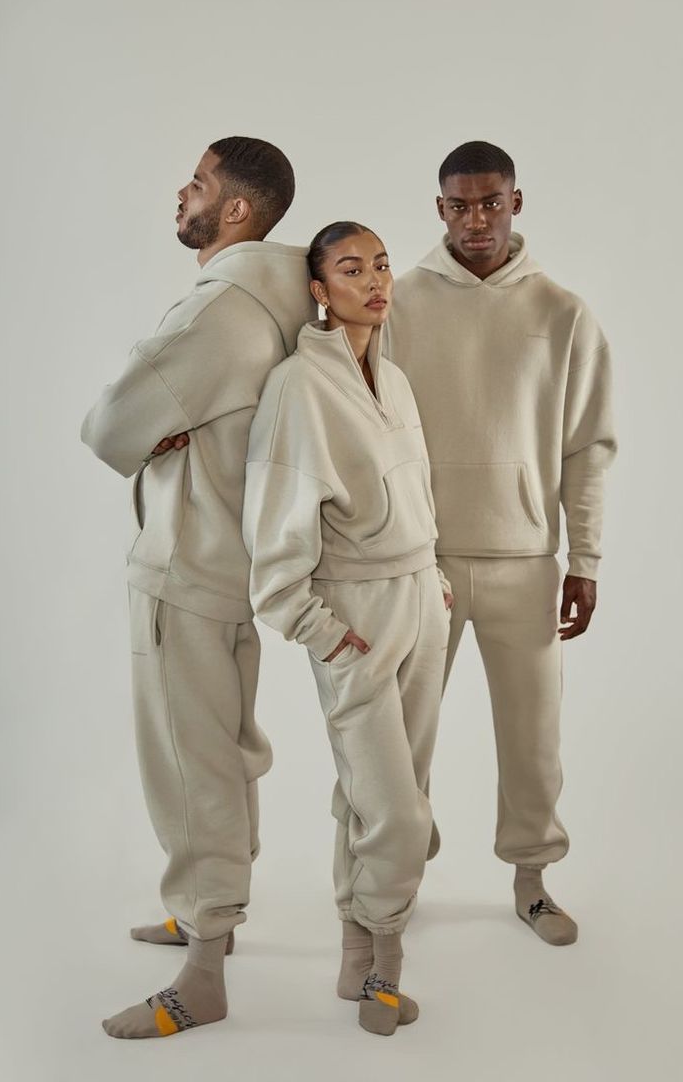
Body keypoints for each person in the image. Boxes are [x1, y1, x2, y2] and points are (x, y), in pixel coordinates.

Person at [81, 136, 316, 1038]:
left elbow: (110, 426)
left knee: (190, 764)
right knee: (223, 749)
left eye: (200, 183)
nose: (181, 192)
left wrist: (156, 426)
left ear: (238, 212)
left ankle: (204, 972)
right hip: (239, 562)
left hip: (185, 565)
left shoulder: (220, 311)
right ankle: (211, 916)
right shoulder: (294, 297)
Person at [387, 140, 617, 946]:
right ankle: (393, 878)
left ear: (517, 203)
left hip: (526, 561)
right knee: (400, 736)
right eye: (459, 204)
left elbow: (588, 445)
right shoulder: (397, 303)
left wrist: (584, 560)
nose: (475, 219)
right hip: (420, 562)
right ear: (439, 208)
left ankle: (532, 880)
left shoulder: (562, 312)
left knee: (533, 735)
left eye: (490, 202)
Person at [242, 222, 453, 1036]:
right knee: (395, 812)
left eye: (383, 264)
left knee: (385, 795)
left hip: (420, 605)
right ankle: (386, 968)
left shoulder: (393, 380)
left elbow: (419, 492)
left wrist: (432, 579)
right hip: (355, 611)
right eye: (351, 268)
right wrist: (316, 626)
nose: (375, 280)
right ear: (319, 292)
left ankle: (353, 952)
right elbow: (274, 529)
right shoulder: (299, 387)